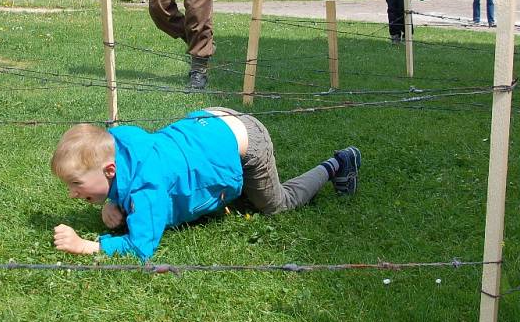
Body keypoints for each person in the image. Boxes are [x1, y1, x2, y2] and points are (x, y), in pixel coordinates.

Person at [50, 107, 362, 261]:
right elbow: (122, 178)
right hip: (210, 121)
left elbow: (140, 248)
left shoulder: (148, 190)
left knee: (276, 204)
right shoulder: (120, 141)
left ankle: (338, 164)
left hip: (246, 141)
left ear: (109, 170)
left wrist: (87, 245)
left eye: (76, 183)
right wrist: (111, 201)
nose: (72, 193)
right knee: (235, 202)